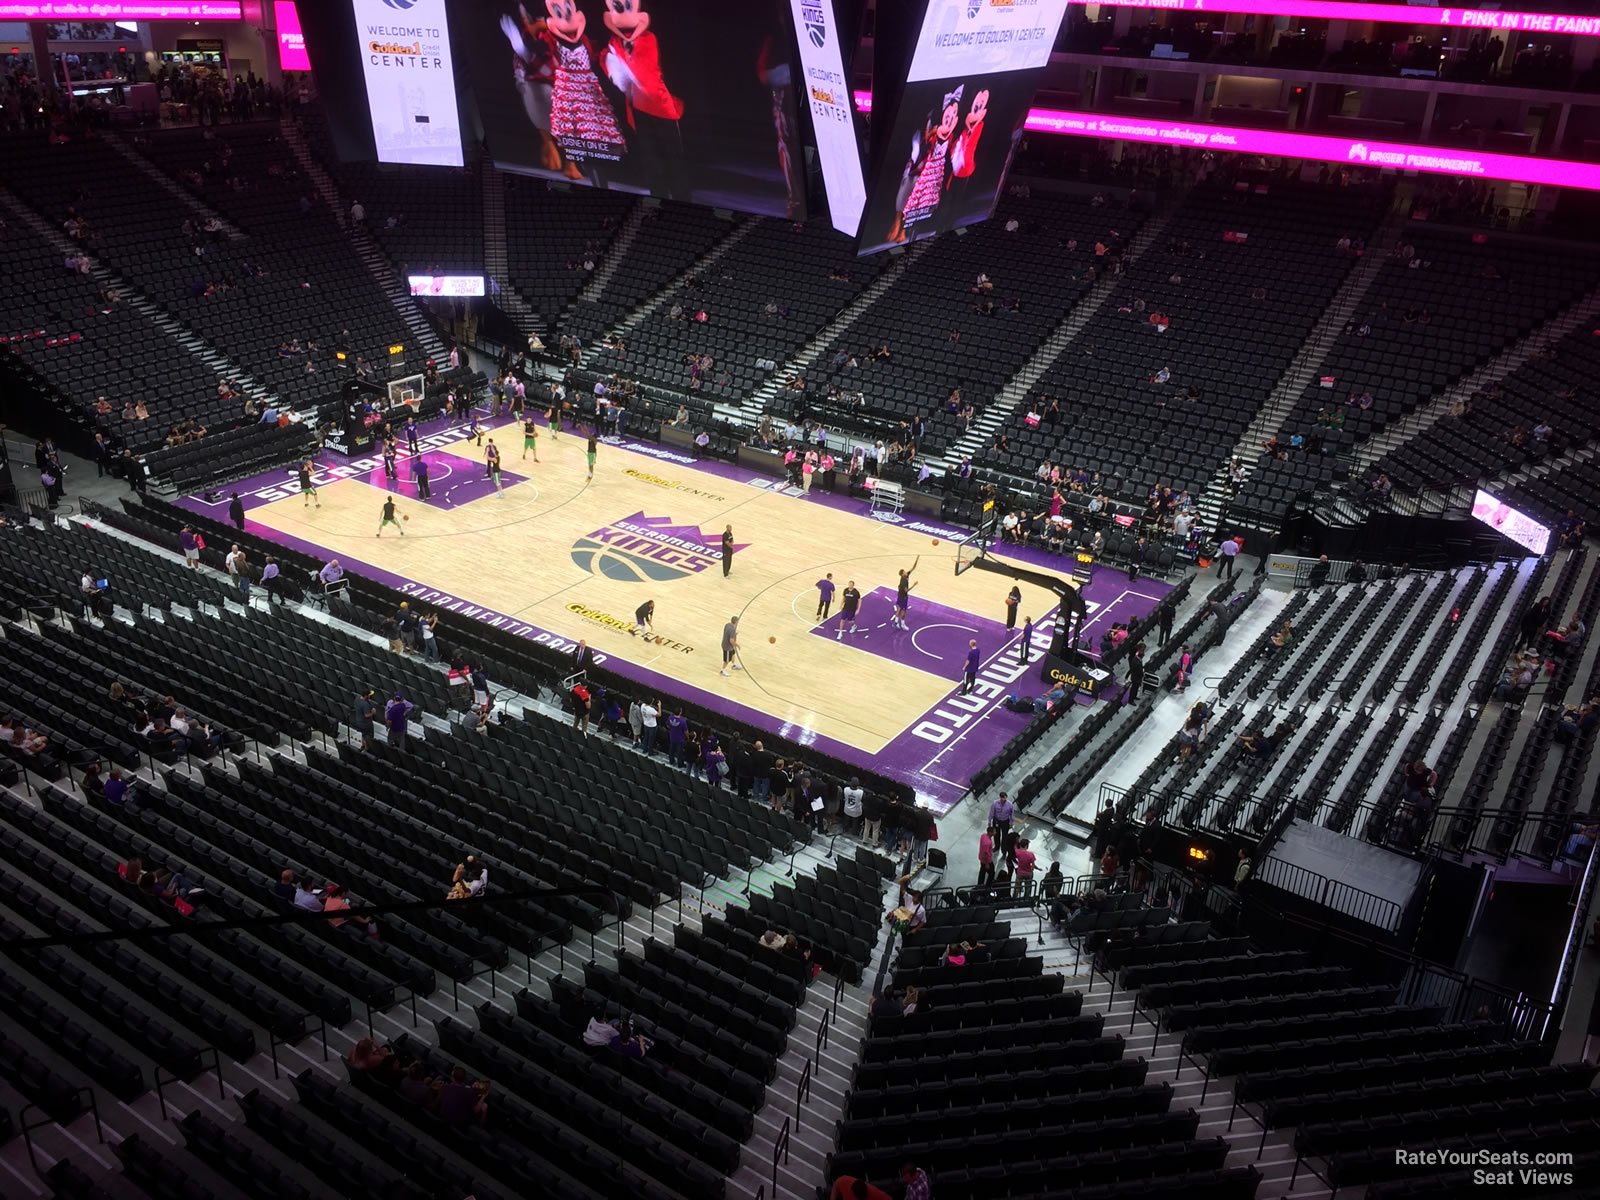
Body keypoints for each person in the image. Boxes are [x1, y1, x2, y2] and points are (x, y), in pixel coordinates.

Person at [892, 559, 918, 630]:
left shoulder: (906, 576)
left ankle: (896, 622)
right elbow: (907, 591)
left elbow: (913, 568)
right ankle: (902, 625)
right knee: (903, 611)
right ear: (902, 574)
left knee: (899, 608)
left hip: (900, 595)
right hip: (903, 597)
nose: (906, 572)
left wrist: (917, 559)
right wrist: (914, 585)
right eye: (904, 572)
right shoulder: (904, 581)